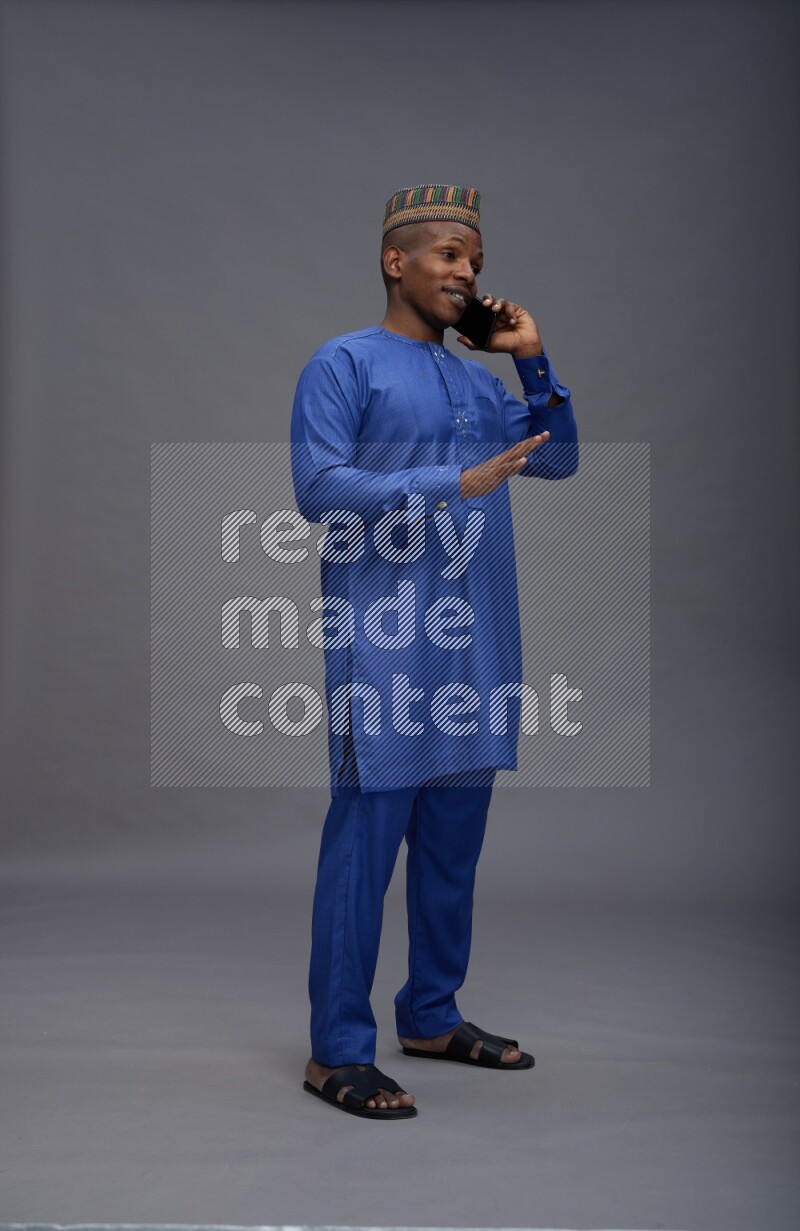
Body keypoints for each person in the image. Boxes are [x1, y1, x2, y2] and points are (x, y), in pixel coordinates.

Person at [291, 184, 578, 1119]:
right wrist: (453, 480)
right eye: (450, 254)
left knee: (452, 854)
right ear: (395, 260)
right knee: (363, 854)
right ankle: (337, 1050)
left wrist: (530, 361)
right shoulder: (343, 362)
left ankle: (430, 1014)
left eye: (475, 261)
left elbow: (558, 458)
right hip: (386, 645)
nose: (467, 272)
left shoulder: (481, 386)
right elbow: (318, 487)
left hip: (476, 648)